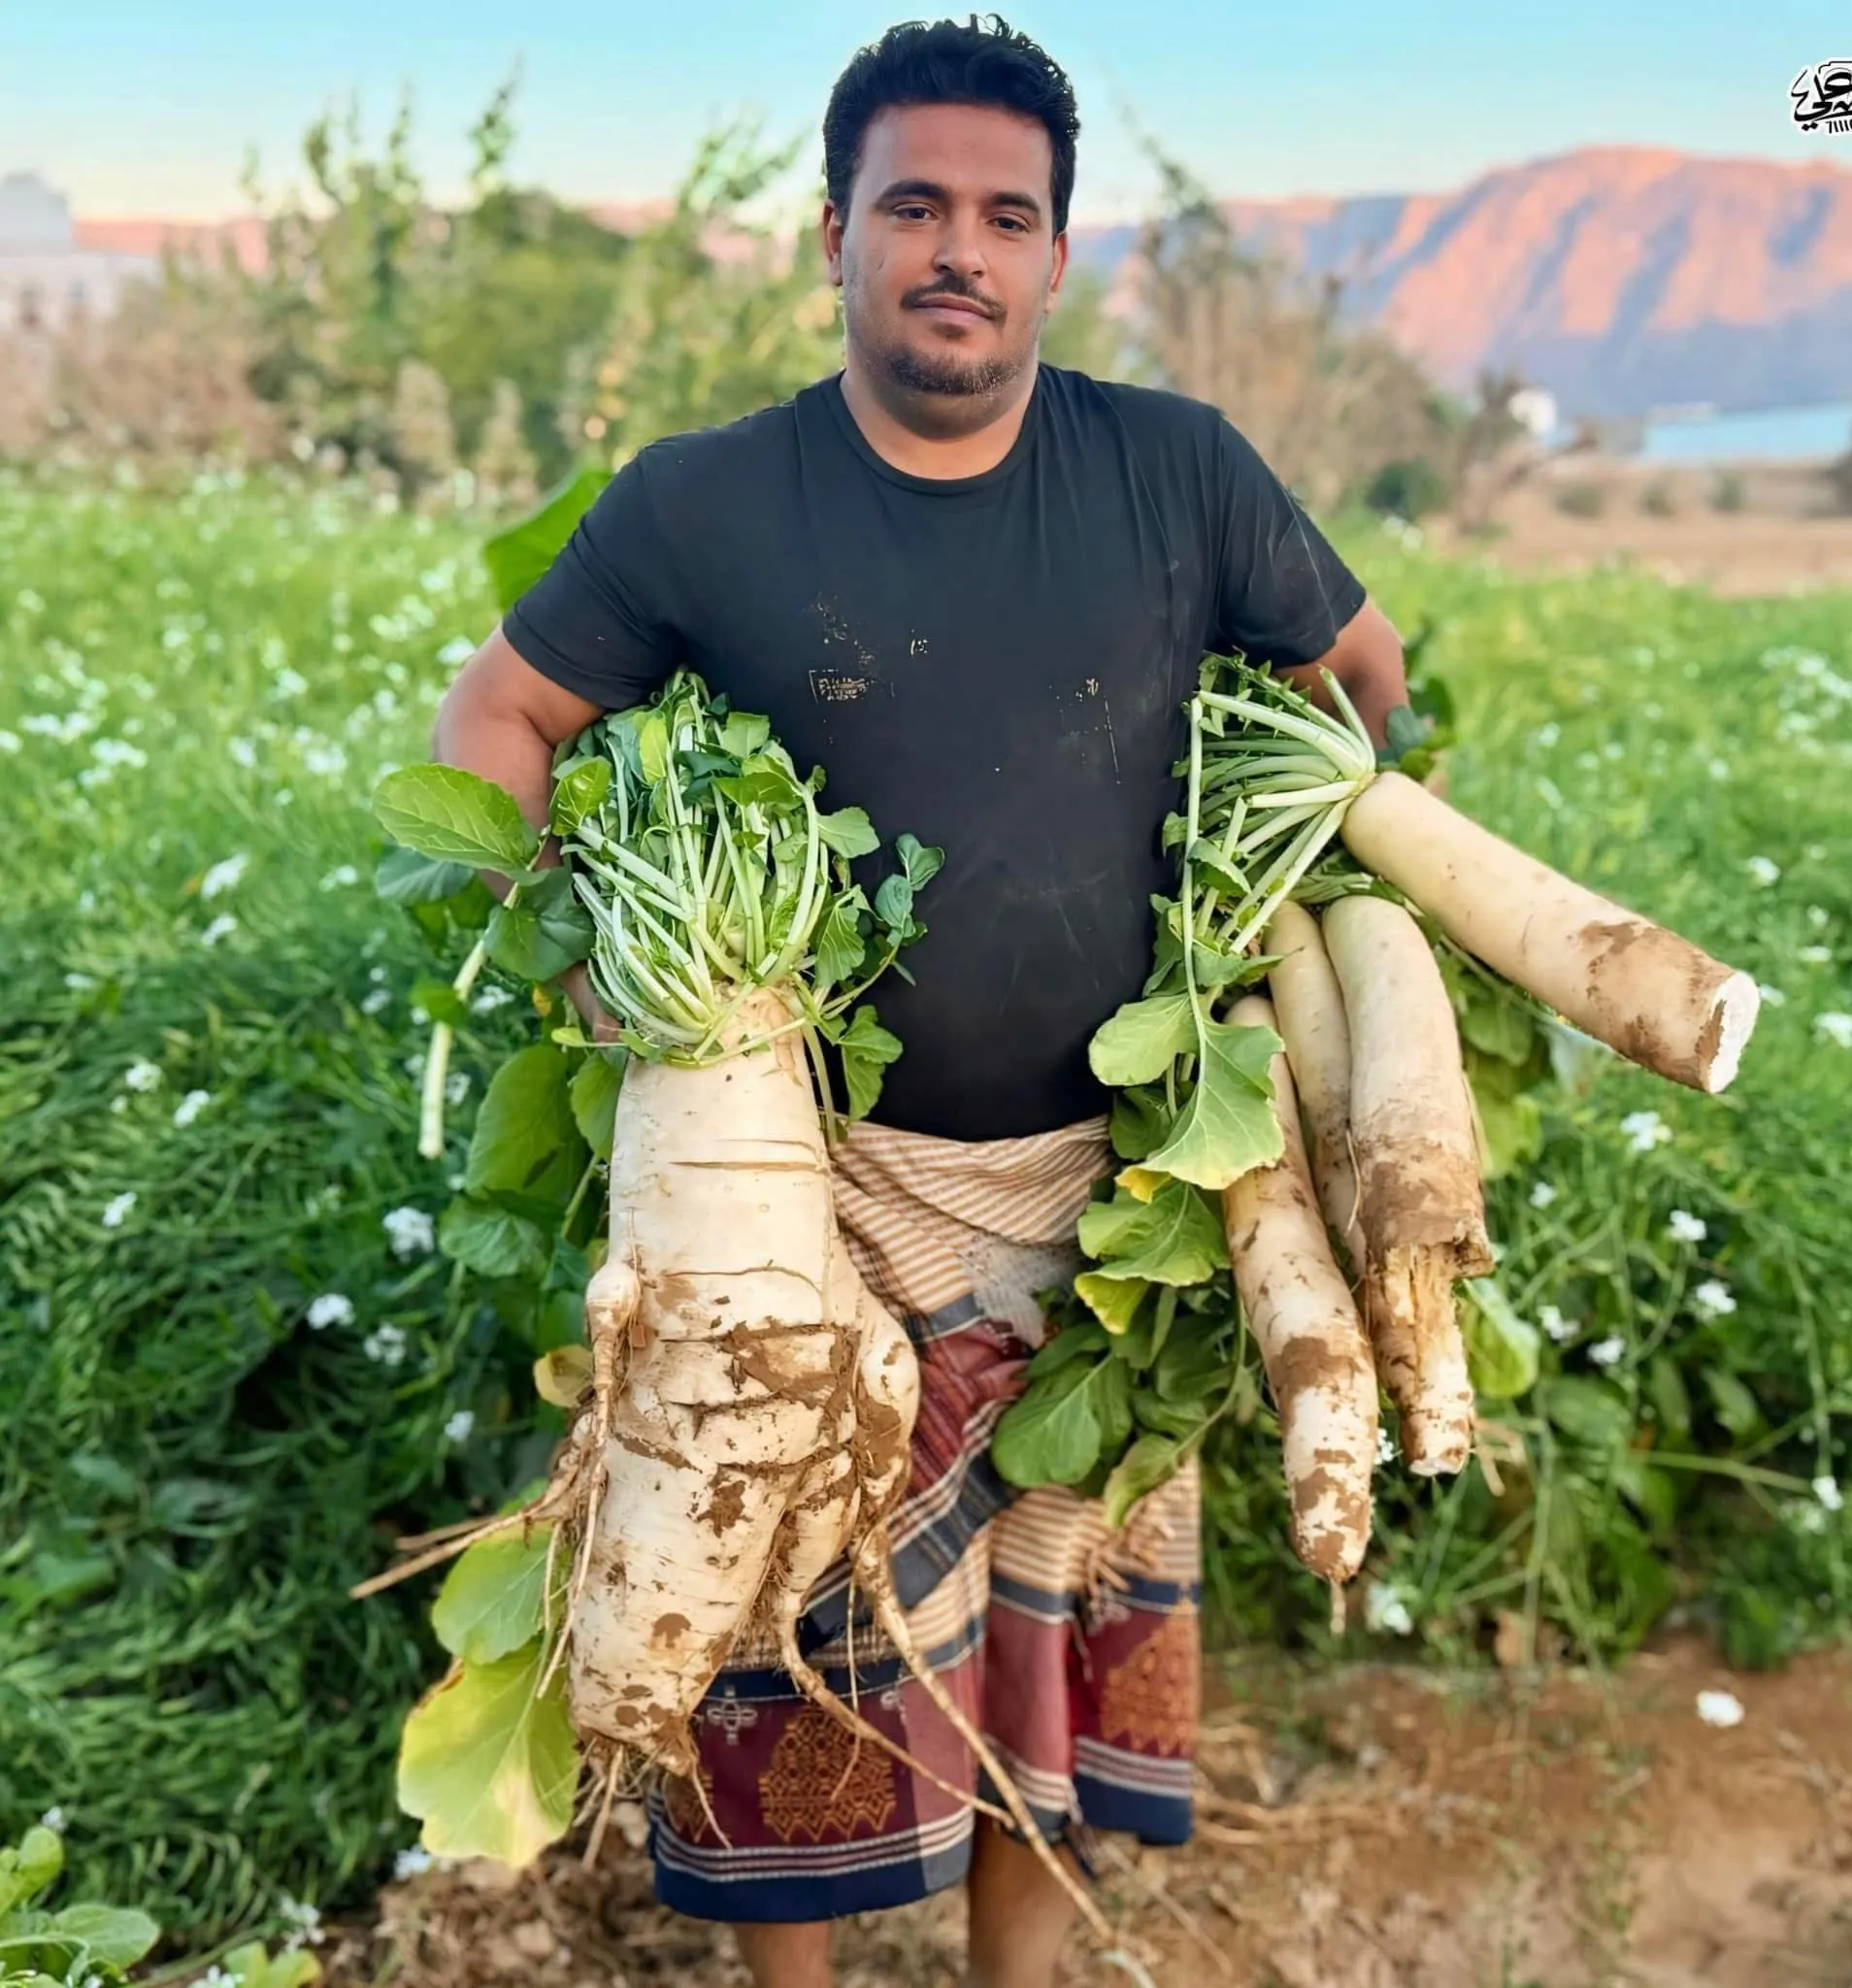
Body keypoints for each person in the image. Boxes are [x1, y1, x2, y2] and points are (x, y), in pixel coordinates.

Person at [432, 16, 1409, 1984]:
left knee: (1059, 1616)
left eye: (1002, 214)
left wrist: (1290, 939)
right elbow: (501, 714)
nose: (954, 248)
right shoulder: (705, 502)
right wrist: (588, 952)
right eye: (912, 207)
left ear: (1057, 256)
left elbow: (1363, 686)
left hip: (1119, 1189)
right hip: (813, 1199)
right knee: (783, 1602)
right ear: (834, 235)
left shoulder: (1177, 472)